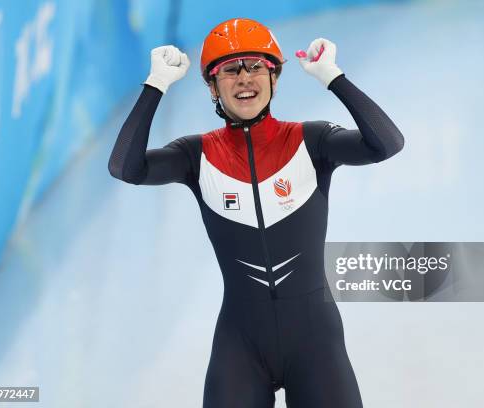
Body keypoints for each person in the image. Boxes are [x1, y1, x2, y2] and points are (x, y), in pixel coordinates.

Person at [109, 17, 404, 408]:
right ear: (212, 87)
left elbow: (386, 143)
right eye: (229, 70)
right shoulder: (195, 155)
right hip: (240, 347)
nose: (244, 79)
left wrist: (333, 77)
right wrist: (155, 85)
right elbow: (126, 168)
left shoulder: (312, 140)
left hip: (315, 344)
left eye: (256, 67)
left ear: (275, 79)